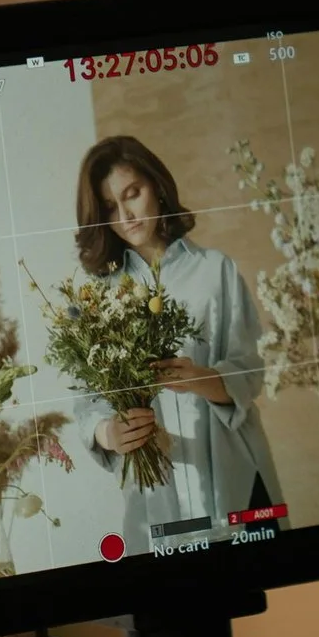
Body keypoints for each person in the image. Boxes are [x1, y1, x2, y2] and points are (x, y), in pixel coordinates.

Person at [67, 135, 283, 552]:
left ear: (158, 187)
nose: (126, 214)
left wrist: (203, 379)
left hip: (234, 483)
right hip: (158, 499)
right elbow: (85, 403)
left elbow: (251, 370)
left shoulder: (214, 270)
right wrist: (110, 433)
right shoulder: (96, 296)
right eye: (111, 207)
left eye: (133, 194)